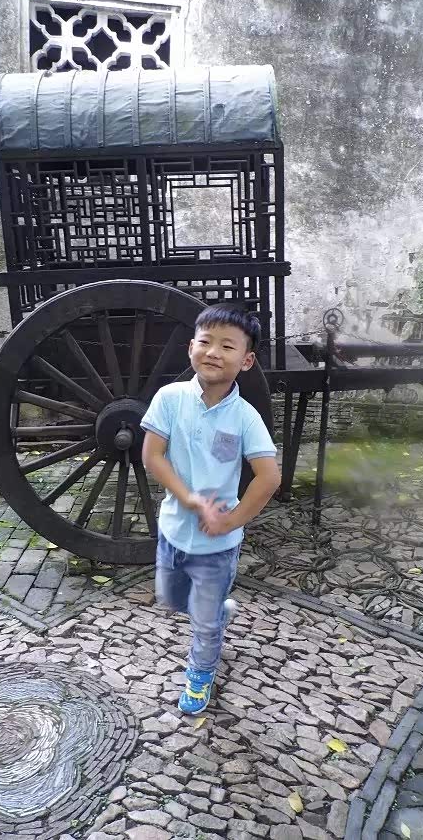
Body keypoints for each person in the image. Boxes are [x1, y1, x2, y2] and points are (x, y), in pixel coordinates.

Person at [141, 305, 281, 714]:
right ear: (191, 348)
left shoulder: (245, 417)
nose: (214, 352)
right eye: (205, 341)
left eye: (227, 346)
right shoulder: (170, 398)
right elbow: (152, 455)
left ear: (246, 360)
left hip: (217, 547)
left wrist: (232, 521)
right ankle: (218, 610)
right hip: (172, 531)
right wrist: (187, 498)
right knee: (171, 597)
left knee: (203, 624)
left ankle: (201, 673)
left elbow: (268, 477)